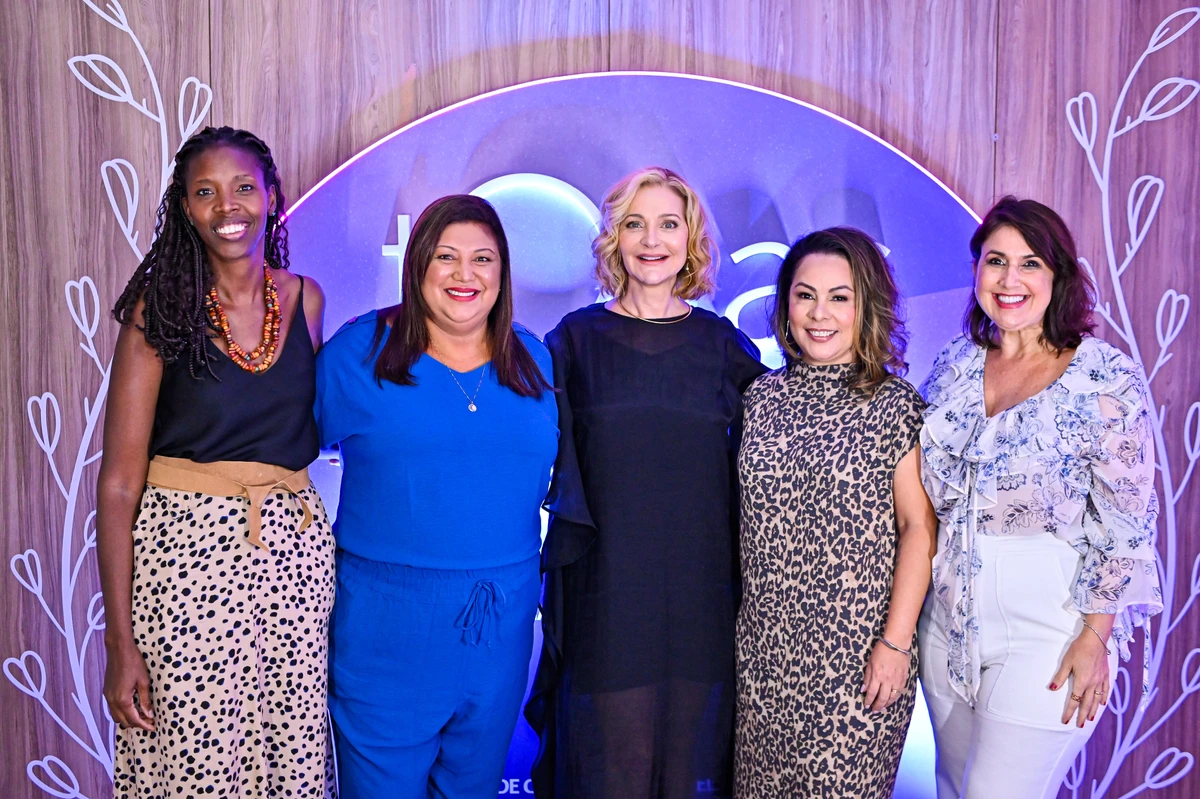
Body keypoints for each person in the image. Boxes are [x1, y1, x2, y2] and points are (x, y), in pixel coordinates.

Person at [97, 126, 333, 797]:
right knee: (197, 763)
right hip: (185, 559)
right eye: (205, 192)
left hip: (295, 558)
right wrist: (119, 642)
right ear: (185, 208)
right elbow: (119, 485)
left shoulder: (306, 300)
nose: (228, 206)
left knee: (290, 756)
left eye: (243, 188)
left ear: (271, 196)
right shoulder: (159, 310)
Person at [526, 166, 766, 799]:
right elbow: (524, 445)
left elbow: (781, 452)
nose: (652, 240)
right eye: (635, 224)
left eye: (668, 224)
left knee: (686, 774)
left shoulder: (723, 346)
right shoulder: (574, 341)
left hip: (701, 597)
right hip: (608, 596)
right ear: (615, 239)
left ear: (691, 240)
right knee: (618, 772)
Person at [918, 196, 1162, 798]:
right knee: (952, 789)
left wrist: (1096, 635)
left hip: (1049, 628)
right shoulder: (953, 366)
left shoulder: (1105, 376)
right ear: (977, 270)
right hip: (946, 624)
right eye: (995, 261)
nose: (1010, 280)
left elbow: (1127, 522)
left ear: (1059, 276)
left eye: (1030, 263)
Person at [316, 194, 558, 798]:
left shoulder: (534, 359)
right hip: (385, 628)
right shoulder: (356, 353)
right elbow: (280, 454)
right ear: (417, 264)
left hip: (499, 629)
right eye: (445, 257)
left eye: (482, 258)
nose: (464, 274)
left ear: (503, 271)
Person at [733, 227, 936, 797]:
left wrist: (895, 645)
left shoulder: (895, 406)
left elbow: (918, 529)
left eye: (839, 297)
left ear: (865, 307)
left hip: (859, 662)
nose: (819, 314)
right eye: (805, 295)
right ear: (786, 304)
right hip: (764, 661)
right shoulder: (759, 399)